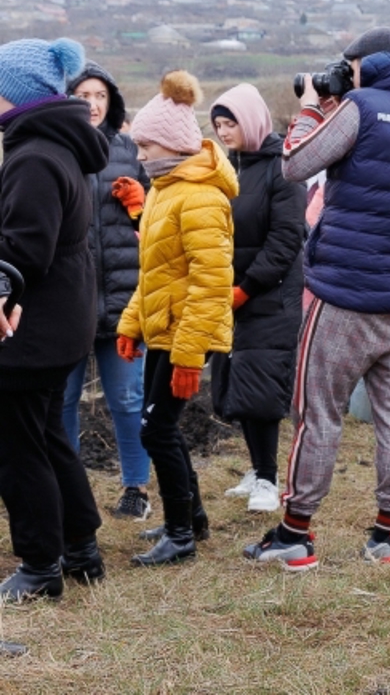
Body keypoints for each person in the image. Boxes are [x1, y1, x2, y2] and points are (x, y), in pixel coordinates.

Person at [244, 27, 390, 569]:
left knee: (318, 412)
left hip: (345, 292)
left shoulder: (360, 106)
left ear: (367, 64)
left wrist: (313, 106)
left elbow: (294, 164)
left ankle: (295, 534)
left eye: (348, 64)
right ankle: (389, 536)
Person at [0, 38, 109, 602]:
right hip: (62, 321)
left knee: (18, 448)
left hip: (30, 330)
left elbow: (23, 250)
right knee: (46, 436)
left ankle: (41, 565)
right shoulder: (56, 146)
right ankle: (82, 549)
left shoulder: (35, 156)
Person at [117, 70, 237, 566]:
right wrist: (131, 322)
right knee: (159, 427)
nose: (140, 156)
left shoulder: (202, 197)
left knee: (155, 429)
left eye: (146, 147)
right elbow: (156, 271)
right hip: (164, 328)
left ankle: (181, 534)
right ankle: (192, 519)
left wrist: (189, 356)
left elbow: (211, 287)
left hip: (186, 334)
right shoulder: (167, 188)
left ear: (169, 146)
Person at [208, 84, 307, 514]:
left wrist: (245, 288)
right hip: (231, 296)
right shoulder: (225, 168)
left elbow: (286, 239)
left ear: (250, 122)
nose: (223, 132)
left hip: (271, 297)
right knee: (238, 384)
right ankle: (256, 469)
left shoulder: (282, 169)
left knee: (262, 389)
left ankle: (269, 480)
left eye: (231, 123)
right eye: (218, 125)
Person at [62, 61, 153, 520]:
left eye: (99, 96)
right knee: (61, 403)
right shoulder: (58, 151)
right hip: (68, 305)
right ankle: (65, 488)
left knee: (127, 400)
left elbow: (158, 225)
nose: (92, 104)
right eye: (83, 96)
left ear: (112, 102)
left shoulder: (131, 151)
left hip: (124, 301)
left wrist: (141, 204)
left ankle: (136, 487)